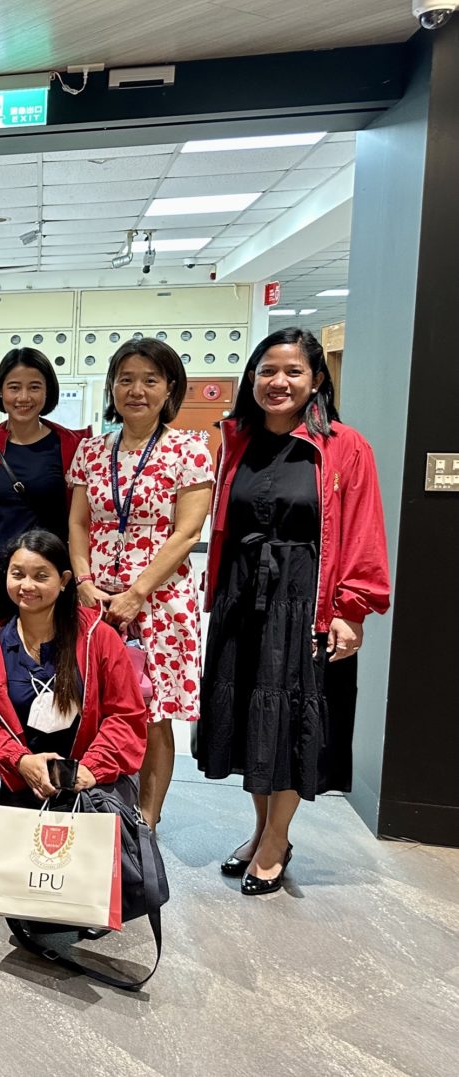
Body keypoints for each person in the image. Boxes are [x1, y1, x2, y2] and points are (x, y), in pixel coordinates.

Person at [198, 328, 390, 895]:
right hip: (242, 596)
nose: (278, 382)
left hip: (306, 597)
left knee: (287, 722)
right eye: (267, 371)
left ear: (317, 380)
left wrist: (352, 608)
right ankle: (260, 829)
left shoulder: (344, 445)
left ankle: (278, 839)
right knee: (253, 722)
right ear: (252, 378)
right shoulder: (236, 439)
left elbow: (362, 529)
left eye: (293, 372)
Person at [0, 530, 148, 942]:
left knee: (83, 894)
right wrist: (19, 760)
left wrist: (90, 769)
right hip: (28, 778)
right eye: (18, 574)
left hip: (88, 777)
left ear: (65, 580)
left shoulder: (97, 637)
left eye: (41, 576)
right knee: (32, 910)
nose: (27, 585)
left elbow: (126, 715)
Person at [66, 339, 212, 830]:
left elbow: (188, 532)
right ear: (112, 386)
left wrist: (136, 593)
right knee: (90, 703)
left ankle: (146, 821)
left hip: (160, 602)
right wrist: (84, 581)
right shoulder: (92, 449)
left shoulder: (188, 449)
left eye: (151, 380)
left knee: (152, 713)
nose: (137, 390)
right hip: (96, 598)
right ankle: (92, 803)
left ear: (170, 388)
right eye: (126, 378)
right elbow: (79, 524)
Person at [0, 348, 87, 642]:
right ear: (0, 392)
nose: (23, 397)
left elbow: (81, 520)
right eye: (14, 387)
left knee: (48, 662)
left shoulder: (72, 447)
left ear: (48, 391)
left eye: (34, 387)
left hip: (47, 579)